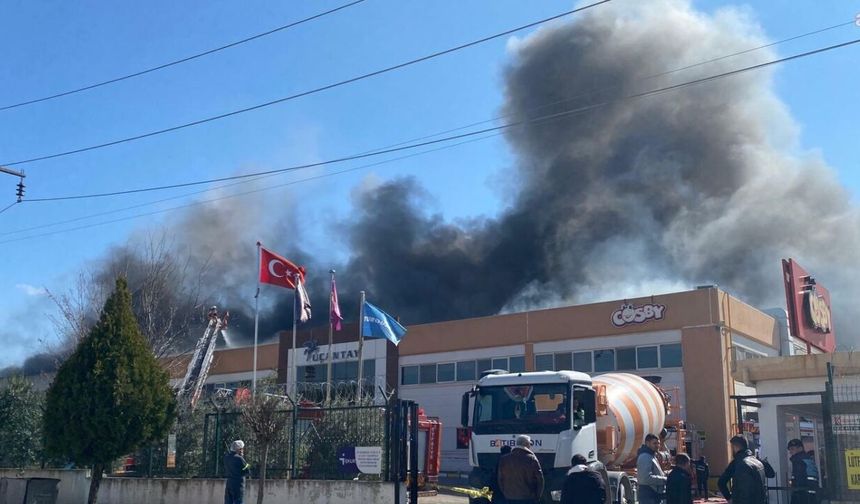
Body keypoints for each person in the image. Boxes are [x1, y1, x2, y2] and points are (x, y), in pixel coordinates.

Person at [717, 436, 767, 504]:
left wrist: (729, 498)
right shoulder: (758, 462)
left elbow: (721, 482)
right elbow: (770, 474)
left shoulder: (736, 463)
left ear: (735, 447)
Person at [498, 435, 544, 504]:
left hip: (510, 497)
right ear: (526, 444)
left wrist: (506, 493)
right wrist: (538, 496)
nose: (530, 446)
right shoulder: (531, 459)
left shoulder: (504, 459)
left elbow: (500, 479)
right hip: (528, 497)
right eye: (530, 444)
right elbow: (540, 479)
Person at [637, 433, 667, 504]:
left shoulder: (651, 455)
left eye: (658, 443)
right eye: (654, 443)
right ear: (647, 443)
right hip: (648, 496)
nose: (657, 446)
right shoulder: (645, 457)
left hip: (653, 496)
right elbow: (645, 478)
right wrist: (664, 480)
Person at [787, 438, 820, 504]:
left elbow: (799, 480)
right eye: (789, 449)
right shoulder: (806, 458)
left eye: (792, 449)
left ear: (800, 448)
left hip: (803, 495)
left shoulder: (799, 460)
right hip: (810, 494)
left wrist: (796, 492)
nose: (790, 452)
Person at [224, 439, 251, 504]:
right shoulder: (239, 458)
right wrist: (247, 464)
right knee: (238, 501)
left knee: (228, 501)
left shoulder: (226, 457)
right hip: (238, 485)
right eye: (242, 449)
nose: (243, 450)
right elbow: (247, 470)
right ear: (238, 449)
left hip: (229, 483)